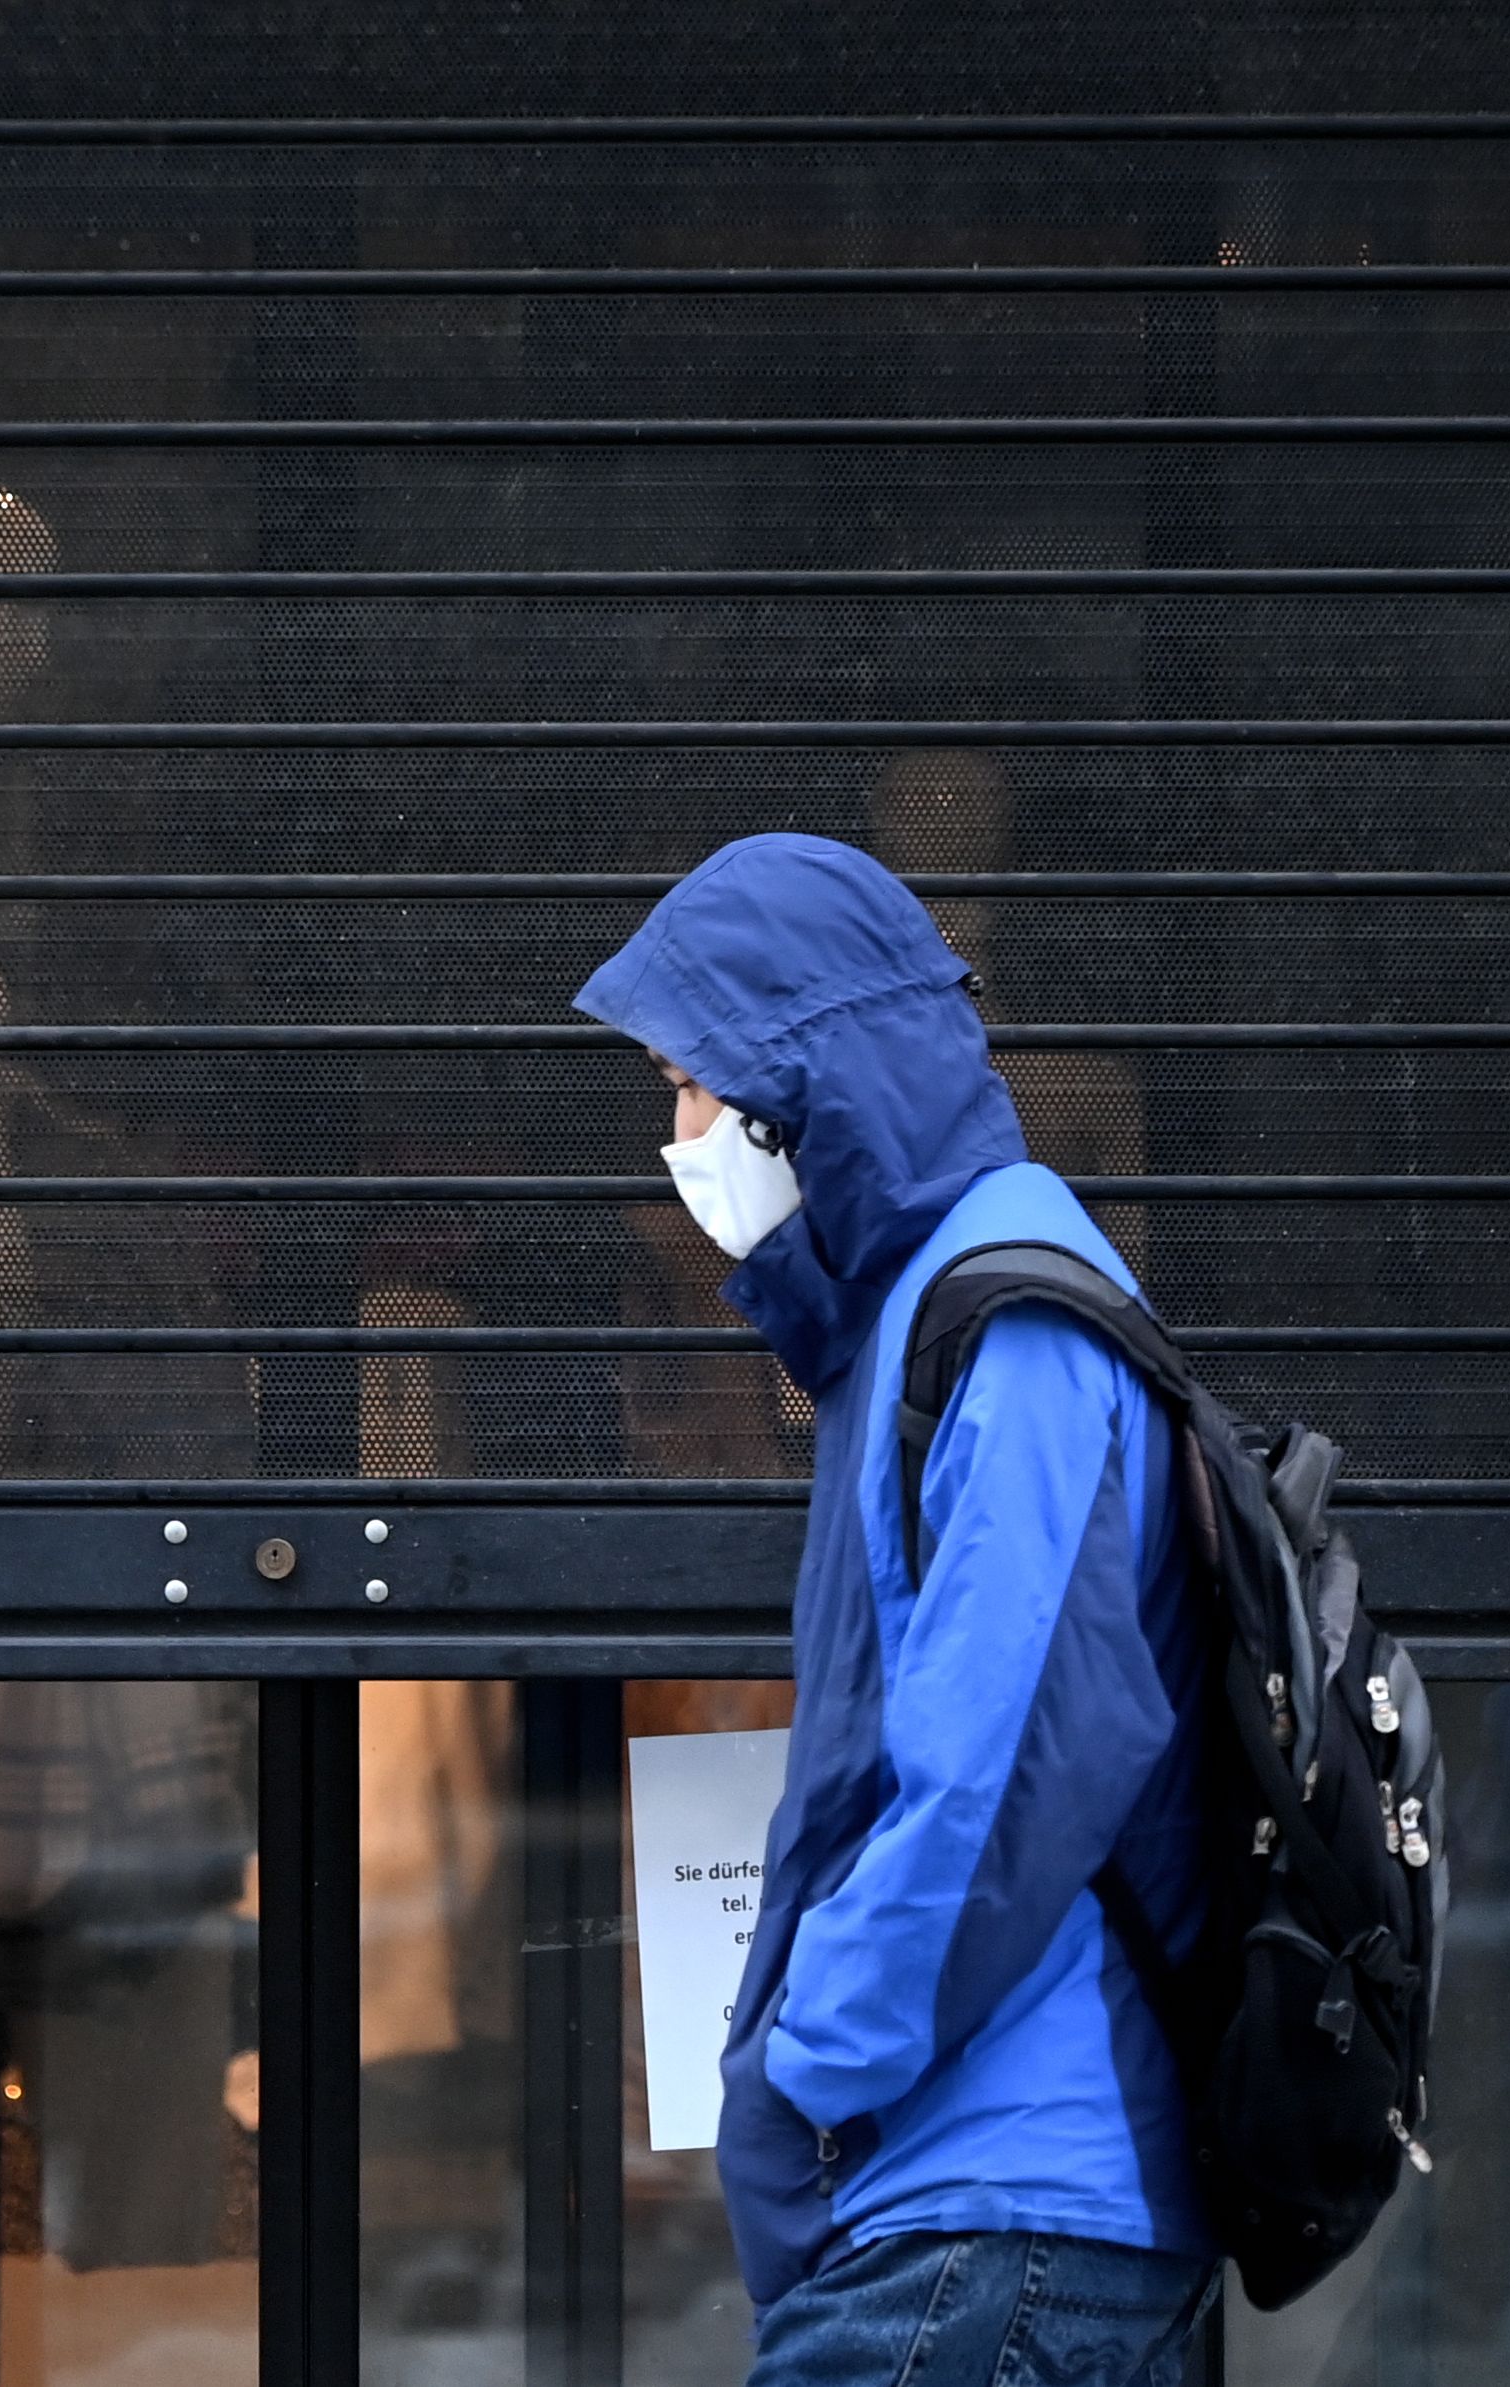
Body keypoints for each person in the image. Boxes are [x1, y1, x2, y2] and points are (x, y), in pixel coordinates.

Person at [574, 833, 1219, 2387]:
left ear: (807, 1081)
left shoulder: (1004, 1326)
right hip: (983, 2221)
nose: (680, 1135)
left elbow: (1000, 1781)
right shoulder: (919, 1318)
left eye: (694, 1086)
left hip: (990, 2224)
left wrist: (812, 2077)